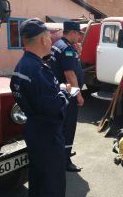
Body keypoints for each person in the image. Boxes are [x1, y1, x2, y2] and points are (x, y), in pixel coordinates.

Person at [10, 18, 70, 197]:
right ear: (43, 39)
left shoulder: (21, 66)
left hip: (34, 130)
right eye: (49, 37)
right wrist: (64, 91)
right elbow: (55, 107)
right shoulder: (38, 70)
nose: (52, 41)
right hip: (48, 135)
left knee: (38, 180)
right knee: (52, 184)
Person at [50, 21, 84, 172]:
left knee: (62, 126)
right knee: (68, 127)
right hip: (68, 94)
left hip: (60, 91)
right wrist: (78, 95)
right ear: (72, 32)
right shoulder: (67, 49)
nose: (80, 37)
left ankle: (61, 154)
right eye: (78, 34)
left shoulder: (59, 44)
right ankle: (65, 160)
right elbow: (69, 74)